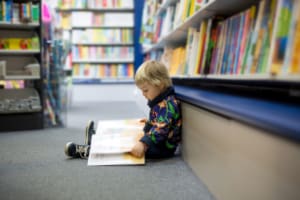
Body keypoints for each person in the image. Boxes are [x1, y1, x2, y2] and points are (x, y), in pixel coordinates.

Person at [64, 60, 182, 159]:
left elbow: (161, 128)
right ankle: (98, 140)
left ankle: (88, 150)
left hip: (161, 149)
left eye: (145, 90)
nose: (143, 94)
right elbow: (158, 122)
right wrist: (148, 123)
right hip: (158, 142)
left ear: (160, 85)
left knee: (128, 145)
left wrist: (143, 144)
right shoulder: (162, 100)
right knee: (130, 133)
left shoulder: (168, 105)